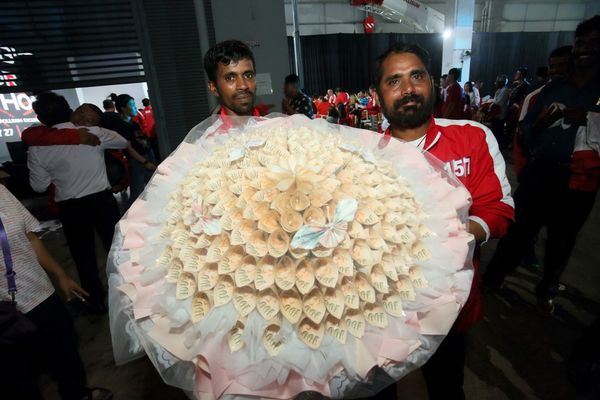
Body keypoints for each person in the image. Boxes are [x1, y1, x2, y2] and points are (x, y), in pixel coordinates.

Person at [373, 43, 514, 399]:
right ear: (378, 95)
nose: (407, 89)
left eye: (416, 76)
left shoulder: (471, 136)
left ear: (433, 83)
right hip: (382, 309)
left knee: (446, 385)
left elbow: (498, 208)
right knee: (381, 386)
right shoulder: (364, 155)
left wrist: (457, 234)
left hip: (449, 307)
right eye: (394, 81)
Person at [483, 15, 600, 312]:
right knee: (516, 230)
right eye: (580, 43)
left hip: (578, 179)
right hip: (541, 172)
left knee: (562, 240)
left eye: (593, 43)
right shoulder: (554, 89)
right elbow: (525, 130)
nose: (584, 49)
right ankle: (492, 280)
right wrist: (541, 124)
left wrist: (587, 118)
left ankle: (546, 287)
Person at [0, 184, 111, 400]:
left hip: (40, 293)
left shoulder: (2, 191)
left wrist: (61, 275)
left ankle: (78, 394)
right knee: (18, 377)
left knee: (65, 354)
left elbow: (30, 237)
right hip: (4, 312)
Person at [27, 92, 128, 314]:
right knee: (117, 249)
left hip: (71, 208)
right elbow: (122, 141)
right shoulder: (93, 133)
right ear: (70, 109)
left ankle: (97, 303)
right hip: (102, 201)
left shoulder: (37, 147)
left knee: (84, 258)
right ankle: (128, 295)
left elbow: (39, 186)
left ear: (41, 117)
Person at [204, 40, 261, 118]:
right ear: (213, 88)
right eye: (230, 78)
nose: (243, 86)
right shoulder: (214, 130)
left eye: (248, 76)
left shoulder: (276, 127)